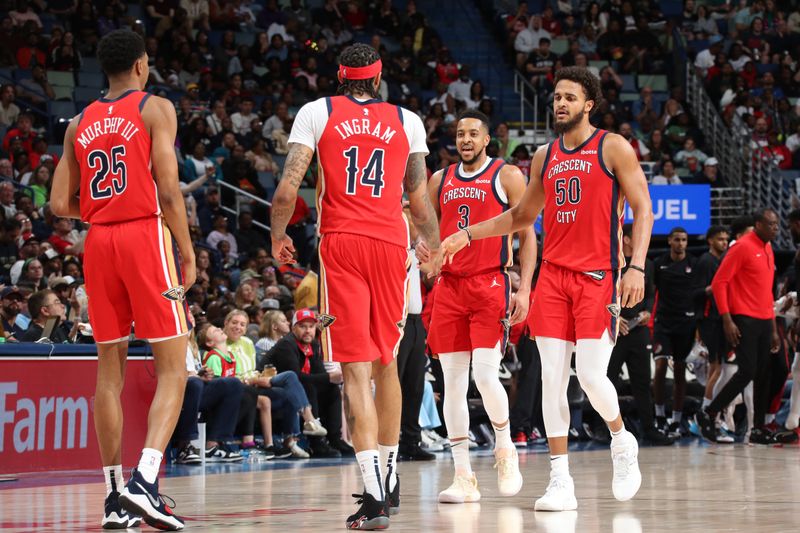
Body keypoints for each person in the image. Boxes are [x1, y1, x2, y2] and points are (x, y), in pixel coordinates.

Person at [441, 66, 652, 511]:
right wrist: (469, 233)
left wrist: (636, 267)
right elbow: (519, 217)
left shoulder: (612, 147)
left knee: (593, 378)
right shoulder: (543, 156)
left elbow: (643, 208)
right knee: (552, 380)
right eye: (557, 97)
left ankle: (621, 439)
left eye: (569, 98)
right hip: (553, 278)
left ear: (588, 104)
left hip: (599, 276)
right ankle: (561, 480)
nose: (560, 103)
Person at [269, 43, 441, 529]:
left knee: (355, 369)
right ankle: (388, 474)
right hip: (392, 245)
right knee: (389, 362)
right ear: (379, 75)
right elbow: (419, 200)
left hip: (341, 243)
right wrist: (430, 247)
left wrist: (279, 234)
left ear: (340, 76)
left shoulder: (316, 111)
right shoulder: (408, 119)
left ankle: (373, 491)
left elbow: (287, 189)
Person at [50, 29, 195, 531]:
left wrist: (96, 208)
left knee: (107, 376)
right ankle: (145, 484)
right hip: (142, 235)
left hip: (98, 242)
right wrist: (188, 253)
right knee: (174, 369)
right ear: (140, 66)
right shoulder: (155, 108)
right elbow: (171, 192)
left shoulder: (78, 123)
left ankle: (115, 496)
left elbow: (56, 205)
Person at [419, 109, 534, 503]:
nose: (465, 139)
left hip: (490, 282)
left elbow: (527, 234)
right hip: (449, 288)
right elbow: (429, 230)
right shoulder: (440, 179)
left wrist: (525, 289)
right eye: (459, 133)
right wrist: (425, 249)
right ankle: (463, 476)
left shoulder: (507, 176)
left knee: (485, 376)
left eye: (473, 133)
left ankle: (505, 447)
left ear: (487, 139)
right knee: (452, 384)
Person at [696, 209, 781, 445]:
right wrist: (727, 319)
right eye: (771, 225)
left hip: (764, 319)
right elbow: (719, 282)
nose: (776, 229)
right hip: (743, 318)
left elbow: (766, 292)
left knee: (764, 373)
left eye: (777, 225)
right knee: (747, 371)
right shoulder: (742, 246)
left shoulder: (767, 247)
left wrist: (773, 327)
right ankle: (710, 412)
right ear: (757, 225)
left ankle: (759, 428)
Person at [607, 224, 674, 445]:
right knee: (607, 382)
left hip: (639, 331)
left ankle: (649, 428)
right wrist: (614, 317)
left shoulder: (647, 265)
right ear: (626, 239)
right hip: (614, 330)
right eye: (636, 236)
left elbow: (652, 293)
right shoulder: (611, 263)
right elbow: (602, 295)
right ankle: (605, 429)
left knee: (643, 383)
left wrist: (646, 311)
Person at [652, 227, 698, 439]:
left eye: (684, 240)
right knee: (660, 367)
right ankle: (659, 415)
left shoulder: (694, 264)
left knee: (680, 371)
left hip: (686, 324)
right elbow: (652, 292)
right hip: (663, 323)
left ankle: (676, 420)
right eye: (677, 239)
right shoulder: (658, 264)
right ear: (670, 241)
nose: (681, 243)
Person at [693, 225, 733, 443]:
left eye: (726, 239)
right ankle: (705, 412)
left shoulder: (724, 260)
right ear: (709, 240)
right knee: (716, 368)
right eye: (720, 239)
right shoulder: (705, 262)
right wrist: (713, 288)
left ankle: (712, 414)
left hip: (721, 319)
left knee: (721, 369)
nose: (724, 243)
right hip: (710, 319)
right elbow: (695, 293)